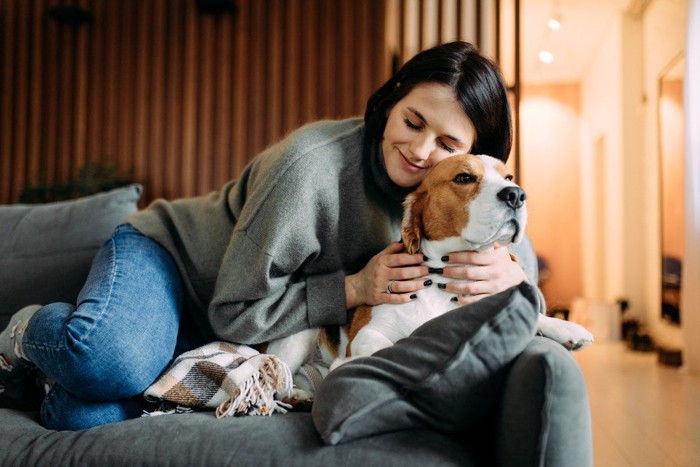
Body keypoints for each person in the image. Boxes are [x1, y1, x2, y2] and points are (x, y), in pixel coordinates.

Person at [0, 41, 527, 431]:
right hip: (175, 265)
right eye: (412, 121)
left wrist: (513, 272)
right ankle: (24, 331)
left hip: (227, 334)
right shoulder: (311, 167)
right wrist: (352, 288)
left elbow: (518, 279)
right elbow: (234, 310)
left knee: (88, 416)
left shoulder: (463, 197)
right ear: (390, 101)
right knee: (107, 361)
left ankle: (46, 386)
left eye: (447, 142)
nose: (420, 150)